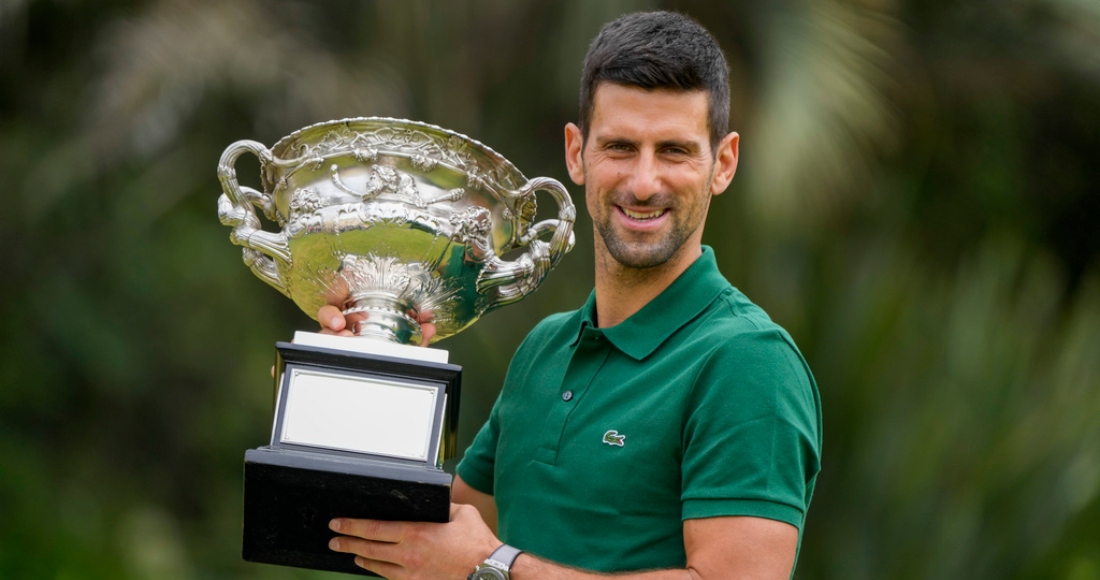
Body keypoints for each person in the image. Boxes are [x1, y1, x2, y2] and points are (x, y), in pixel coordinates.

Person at [318, 11, 822, 580]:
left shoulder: (749, 362)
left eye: (674, 151)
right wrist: (366, 365)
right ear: (576, 153)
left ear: (722, 164)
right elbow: (421, 543)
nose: (643, 182)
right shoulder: (544, 349)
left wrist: (494, 567)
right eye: (620, 147)